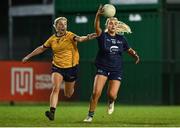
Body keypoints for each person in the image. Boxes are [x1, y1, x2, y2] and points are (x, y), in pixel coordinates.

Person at [22, 17, 97, 121]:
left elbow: (80, 38)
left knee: (68, 94)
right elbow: (42, 48)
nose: (63, 26)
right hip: (57, 67)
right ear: (55, 26)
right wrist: (28, 56)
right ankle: (52, 112)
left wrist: (88, 37)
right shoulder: (52, 39)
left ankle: (69, 90)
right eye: (60, 24)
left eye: (65, 24)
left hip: (71, 68)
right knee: (55, 88)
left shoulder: (70, 35)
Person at [83, 6, 140, 122]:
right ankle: (90, 115)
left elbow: (129, 49)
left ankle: (111, 102)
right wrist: (98, 15)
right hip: (102, 68)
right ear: (107, 26)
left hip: (116, 70)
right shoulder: (102, 36)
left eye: (115, 24)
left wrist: (135, 55)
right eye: (110, 23)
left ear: (117, 26)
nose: (113, 25)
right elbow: (96, 27)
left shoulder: (121, 39)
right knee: (96, 93)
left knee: (112, 95)